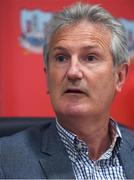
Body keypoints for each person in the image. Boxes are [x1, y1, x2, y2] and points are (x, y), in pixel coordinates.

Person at [0, 2, 134, 179]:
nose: (73, 72)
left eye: (90, 57)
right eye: (61, 58)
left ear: (119, 76)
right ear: (48, 78)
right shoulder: (6, 160)